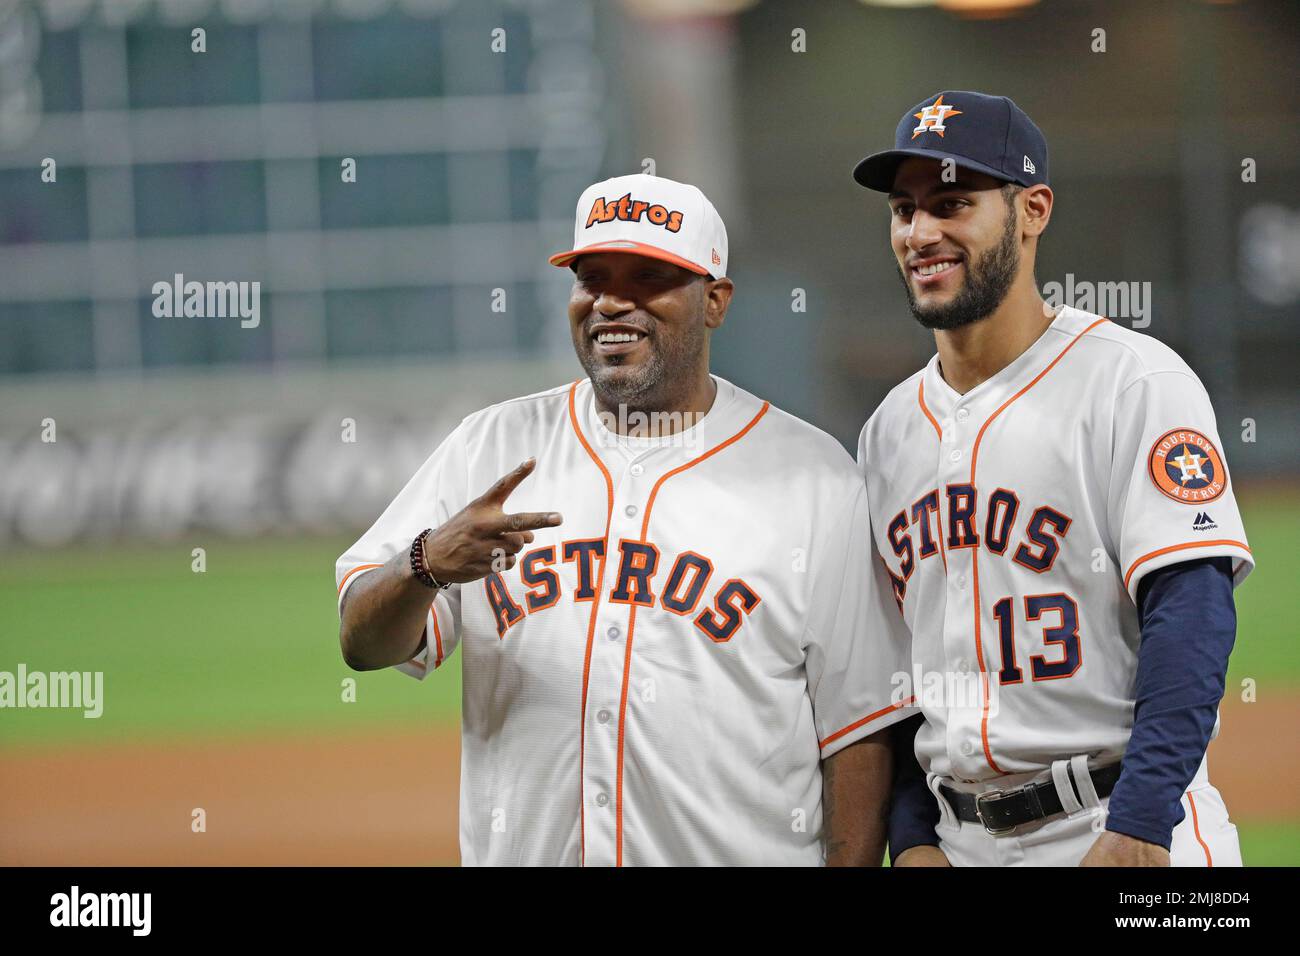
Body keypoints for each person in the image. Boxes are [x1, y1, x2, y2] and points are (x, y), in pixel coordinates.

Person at [336, 173, 911, 866]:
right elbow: (363, 645)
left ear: (716, 301)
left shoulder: (815, 478)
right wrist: (424, 563)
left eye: (647, 278)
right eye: (592, 278)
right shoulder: (489, 447)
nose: (612, 302)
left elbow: (861, 731)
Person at [853, 91, 1253, 866]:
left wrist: (1140, 823)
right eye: (904, 210)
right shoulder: (887, 432)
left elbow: (1192, 613)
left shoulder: (1132, 381)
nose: (920, 232)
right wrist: (910, 836)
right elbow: (891, 668)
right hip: (959, 839)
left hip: (1117, 818)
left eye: (952, 203)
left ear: (1032, 210)